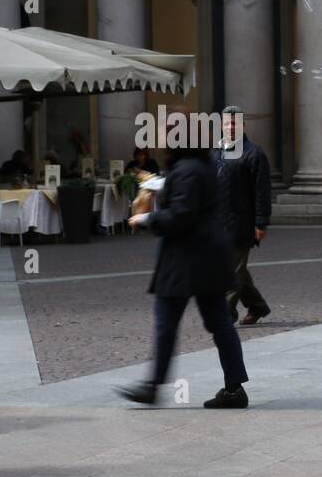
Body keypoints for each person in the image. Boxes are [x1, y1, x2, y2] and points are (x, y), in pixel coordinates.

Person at [115, 129, 251, 409]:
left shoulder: (188, 170)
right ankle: (234, 388)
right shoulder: (202, 166)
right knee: (219, 322)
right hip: (207, 257)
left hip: (187, 259)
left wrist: (147, 217)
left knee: (167, 322)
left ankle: (153, 386)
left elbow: (182, 215)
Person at [215, 105, 272, 325]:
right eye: (227, 122)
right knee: (236, 270)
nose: (230, 127)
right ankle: (257, 306)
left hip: (241, 224)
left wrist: (261, 222)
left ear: (243, 126)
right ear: (221, 125)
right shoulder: (217, 151)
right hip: (218, 223)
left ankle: (225, 315)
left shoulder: (254, 153)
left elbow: (262, 191)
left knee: (232, 272)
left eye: (235, 123)